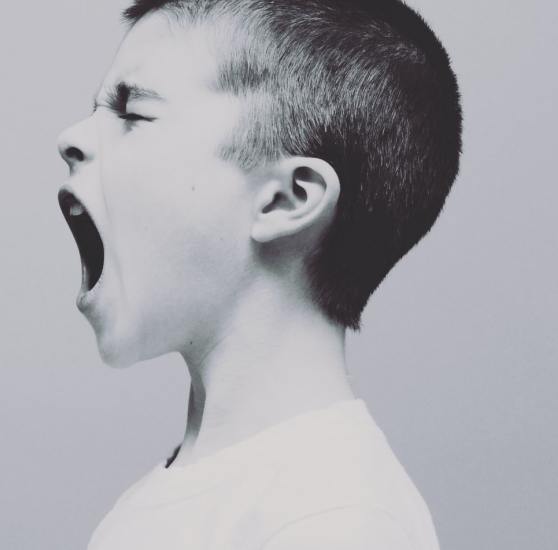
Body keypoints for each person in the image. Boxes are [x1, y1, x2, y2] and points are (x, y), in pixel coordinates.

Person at [55, 0, 461, 548]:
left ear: (286, 199)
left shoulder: (335, 520)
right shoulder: (175, 496)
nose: (72, 137)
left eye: (132, 113)